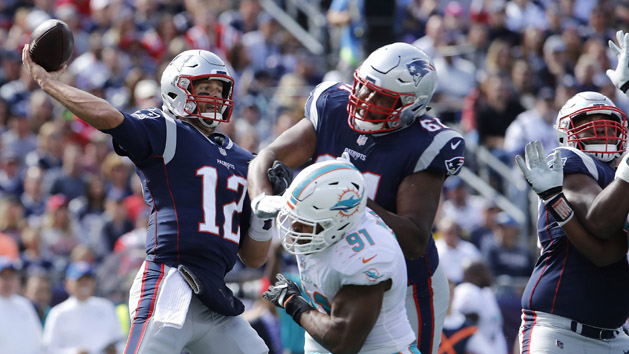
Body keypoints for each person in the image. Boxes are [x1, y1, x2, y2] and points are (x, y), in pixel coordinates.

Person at [23, 47, 273, 353]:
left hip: (216, 294)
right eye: (204, 88)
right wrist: (50, 85)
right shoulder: (168, 130)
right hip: (172, 282)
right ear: (176, 89)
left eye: (219, 89)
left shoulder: (246, 161)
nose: (213, 96)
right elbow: (108, 117)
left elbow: (254, 257)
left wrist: (264, 210)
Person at [248, 42, 466, 354]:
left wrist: (348, 197)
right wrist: (260, 199)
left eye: (381, 97)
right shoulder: (333, 108)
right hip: (329, 275)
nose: (364, 100)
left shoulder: (423, 143)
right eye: (364, 88)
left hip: (402, 286)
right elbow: (266, 156)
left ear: (411, 106)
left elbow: (415, 240)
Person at [513, 30, 629, 354]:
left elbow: (608, 253)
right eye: (588, 124)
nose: (600, 130)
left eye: (608, 122)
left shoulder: (619, 176)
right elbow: (601, 220)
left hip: (615, 334)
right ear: (565, 134)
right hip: (559, 326)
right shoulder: (567, 159)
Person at [263, 158, 420, 353]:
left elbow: (343, 342)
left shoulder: (367, 256)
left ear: (336, 222)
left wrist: (292, 303)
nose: (294, 227)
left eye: (303, 221)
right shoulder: (327, 223)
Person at [42, 261, 124, 353]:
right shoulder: (58, 312)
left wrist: (116, 350)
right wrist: (74, 352)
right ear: (68, 284)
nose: (84, 284)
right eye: (79, 281)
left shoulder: (106, 307)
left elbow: (120, 340)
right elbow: (48, 349)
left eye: (88, 280)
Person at [0, 256, 43, 354]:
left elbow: (38, 340)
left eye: (11, 277)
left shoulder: (25, 304)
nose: (7, 282)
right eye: (3, 277)